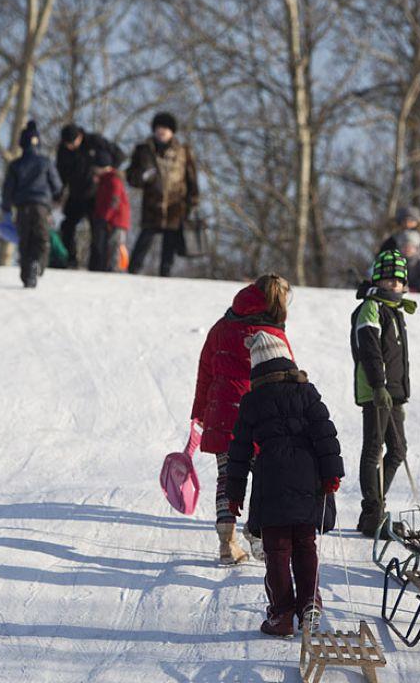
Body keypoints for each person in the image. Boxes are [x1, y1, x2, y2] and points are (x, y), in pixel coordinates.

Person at [226, 330, 344, 637]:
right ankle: (310, 605)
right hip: (309, 477)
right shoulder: (307, 392)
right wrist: (332, 473)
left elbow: (238, 451)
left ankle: (281, 615)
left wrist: (234, 493)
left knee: (277, 550)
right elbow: (325, 434)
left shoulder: (252, 400)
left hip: (271, 481)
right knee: (306, 544)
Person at [190, 274, 293, 565]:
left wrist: (199, 412)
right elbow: (286, 377)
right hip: (259, 418)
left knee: (227, 478)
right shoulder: (272, 333)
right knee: (264, 478)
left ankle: (227, 542)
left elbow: (205, 373)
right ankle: (258, 536)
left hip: (222, 417)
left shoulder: (222, 326)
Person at [350, 249, 416, 537]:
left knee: (398, 449)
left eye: (397, 280)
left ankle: (374, 510)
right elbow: (370, 349)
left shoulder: (394, 310)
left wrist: (398, 390)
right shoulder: (372, 307)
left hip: (393, 392)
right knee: (374, 448)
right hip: (377, 391)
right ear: (378, 280)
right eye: (387, 279)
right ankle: (373, 513)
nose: (393, 285)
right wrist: (378, 385)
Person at [125, 112, 199, 277]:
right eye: (158, 127)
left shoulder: (183, 152)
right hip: (152, 204)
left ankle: (165, 276)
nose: (161, 131)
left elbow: (191, 178)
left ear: (172, 131)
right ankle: (132, 271)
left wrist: (193, 201)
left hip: (175, 205)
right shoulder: (143, 150)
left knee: (170, 243)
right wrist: (142, 176)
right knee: (145, 239)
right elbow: (130, 176)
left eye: (165, 128)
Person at [1, 120, 62, 288]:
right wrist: (57, 199)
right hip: (41, 207)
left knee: (25, 241)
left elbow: (8, 189)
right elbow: (57, 186)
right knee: (42, 239)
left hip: (22, 207)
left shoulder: (15, 165)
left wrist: (6, 208)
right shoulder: (46, 162)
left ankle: (27, 275)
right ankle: (38, 265)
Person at [56, 124, 124, 269]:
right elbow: (60, 174)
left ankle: (97, 265)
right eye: (67, 144)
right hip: (75, 193)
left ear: (79, 137)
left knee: (98, 229)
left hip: (96, 194)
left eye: (72, 143)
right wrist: (59, 193)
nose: (70, 147)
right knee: (67, 226)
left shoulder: (94, 141)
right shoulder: (63, 150)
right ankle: (70, 260)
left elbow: (119, 154)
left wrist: (110, 170)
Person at [89, 151, 129, 271]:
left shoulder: (113, 179)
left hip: (116, 220)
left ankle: (114, 269)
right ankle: (103, 268)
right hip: (108, 218)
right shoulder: (103, 180)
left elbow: (114, 200)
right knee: (104, 245)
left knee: (114, 245)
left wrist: (105, 217)